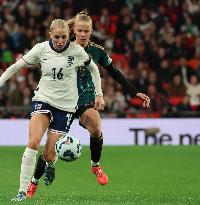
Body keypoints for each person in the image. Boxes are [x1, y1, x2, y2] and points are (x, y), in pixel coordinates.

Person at [26, 11, 150, 198]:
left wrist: (134, 92)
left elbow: (114, 72)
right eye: (80, 30)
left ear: (91, 31)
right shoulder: (63, 49)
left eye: (87, 31)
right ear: (73, 31)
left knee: (96, 126)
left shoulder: (97, 51)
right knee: (48, 153)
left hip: (85, 100)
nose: (83, 34)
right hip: (63, 102)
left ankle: (95, 166)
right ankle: (34, 182)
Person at [0, 19, 104, 201]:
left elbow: (94, 69)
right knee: (33, 141)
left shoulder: (76, 51)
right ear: (50, 35)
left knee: (48, 155)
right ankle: (21, 192)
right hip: (43, 100)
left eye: (64, 37)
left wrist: (99, 94)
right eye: (56, 37)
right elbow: (16, 66)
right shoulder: (41, 49)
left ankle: (51, 164)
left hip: (65, 108)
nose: (60, 40)